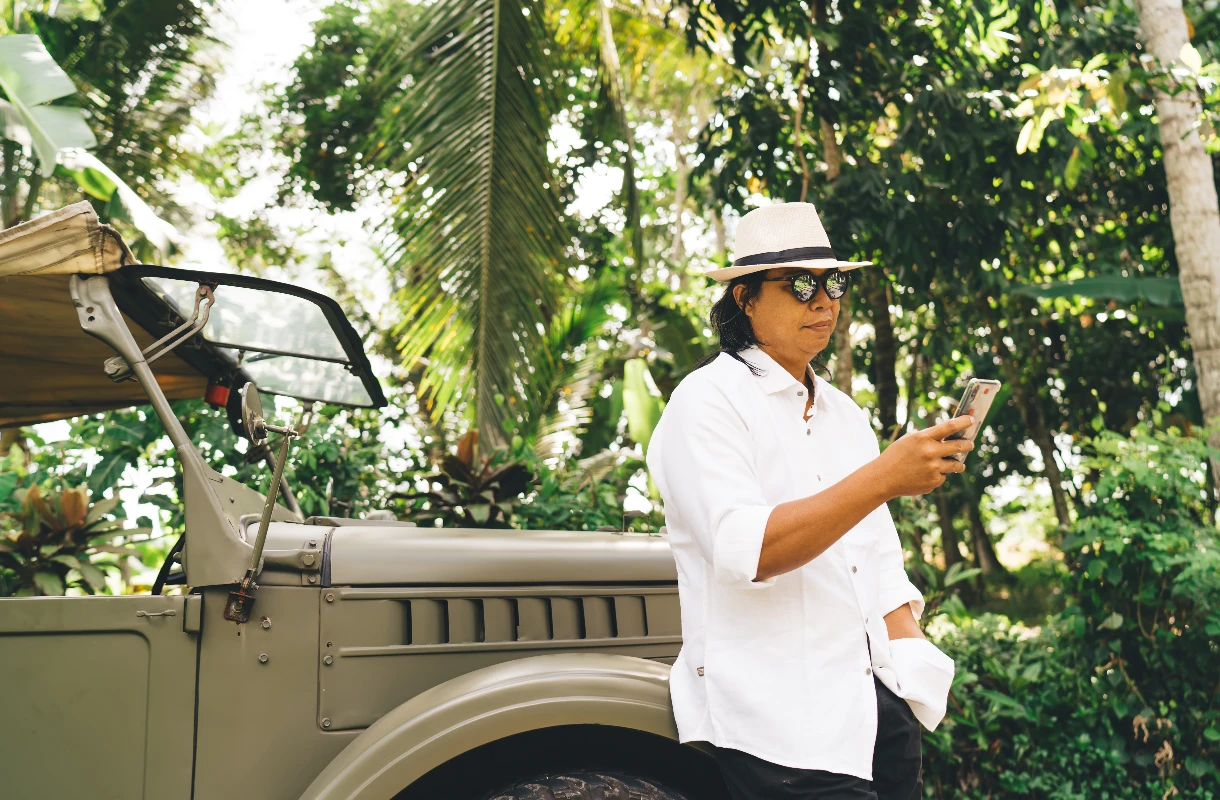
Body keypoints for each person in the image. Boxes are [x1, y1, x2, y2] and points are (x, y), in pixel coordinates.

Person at [646, 202, 968, 800]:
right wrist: (883, 477)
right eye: (800, 285)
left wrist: (911, 670)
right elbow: (748, 550)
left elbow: (876, 560)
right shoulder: (707, 400)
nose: (823, 302)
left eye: (834, 284)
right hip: (777, 726)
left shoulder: (844, 414)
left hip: (874, 711)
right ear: (744, 298)